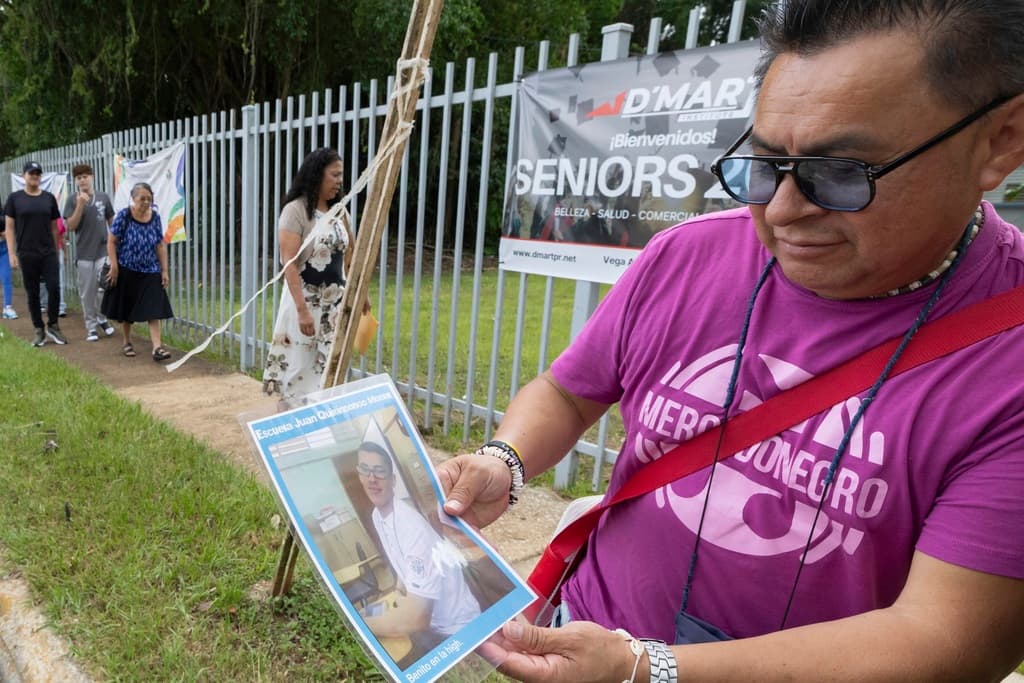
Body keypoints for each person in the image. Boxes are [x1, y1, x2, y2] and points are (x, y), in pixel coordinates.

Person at [437, 2, 1024, 681]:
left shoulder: (1008, 360)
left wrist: (646, 669)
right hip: (590, 630)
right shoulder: (686, 256)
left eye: (840, 174)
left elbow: (945, 642)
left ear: (1000, 141)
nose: (781, 210)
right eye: (765, 164)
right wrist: (506, 459)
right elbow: (569, 392)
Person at [356, 440, 481, 655]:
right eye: (365, 470)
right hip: (432, 620)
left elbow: (416, 618)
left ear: (393, 480)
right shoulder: (377, 515)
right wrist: (398, 590)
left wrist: (359, 623)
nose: (372, 478)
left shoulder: (411, 526)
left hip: (457, 627)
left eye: (379, 471)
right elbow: (400, 559)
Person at [262, 148, 357, 404]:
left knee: (330, 367)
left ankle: (325, 419)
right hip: (303, 303)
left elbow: (351, 254)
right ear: (317, 175)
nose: (339, 181)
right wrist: (302, 311)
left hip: (334, 307)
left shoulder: (341, 212)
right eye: (334, 175)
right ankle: (292, 420)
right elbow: (289, 263)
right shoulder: (295, 211)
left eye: (341, 175)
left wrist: (360, 293)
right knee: (298, 368)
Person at [101, 182, 173, 361]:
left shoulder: (155, 217)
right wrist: (114, 266)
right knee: (127, 308)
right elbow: (111, 241)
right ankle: (127, 342)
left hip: (150, 269)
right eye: (142, 198)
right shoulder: (124, 215)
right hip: (127, 268)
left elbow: (160, 245)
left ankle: (157, 348)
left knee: (154, 309)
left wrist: (164, 270)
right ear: (133, 199)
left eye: (149, 198)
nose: (146, 202)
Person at [4, 161, 67, 346]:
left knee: (54, 288)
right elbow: (9, 228)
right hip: (27, 253)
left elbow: (54, 227)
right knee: (32, 293)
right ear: (24, 175)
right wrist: (11, 254)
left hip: (48, 252)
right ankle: (39, 329)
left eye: (38, 173)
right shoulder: (15, 199)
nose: (35, 176)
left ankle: (53, 325)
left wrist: (56, 249)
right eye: (31, 173)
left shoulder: (48, 198)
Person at [64, 163, 115, 341]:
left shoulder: (103, 197)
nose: (82, 180)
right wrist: (80, 205)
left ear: (92, 177)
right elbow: (71, 226)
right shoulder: (72, 199)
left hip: (103, 250)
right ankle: (91, 326)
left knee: (103, 287)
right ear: (75, 181)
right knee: (87, 292)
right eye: (79, 178)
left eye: (85, 176)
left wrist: (116, 242)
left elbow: (111, 220)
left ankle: (102, 318)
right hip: (84, 252)